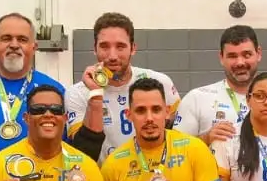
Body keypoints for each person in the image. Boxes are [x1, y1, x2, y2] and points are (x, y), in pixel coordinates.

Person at [66, 11, 181, 161]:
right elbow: (84, 154)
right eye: (104, 47)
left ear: (133, 48)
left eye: (120, 46)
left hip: (152, 177)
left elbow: (179, 137)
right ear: (94, 48)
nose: (112, 56)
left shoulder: (160, 82)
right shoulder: (77, 93)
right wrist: (95, 95)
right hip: (104, 179)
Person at [0, 12, 65, 161]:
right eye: (6, 38)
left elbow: (64, 145)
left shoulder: (54, 90)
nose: (14, 45)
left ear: (34, 47)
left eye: (22, 39)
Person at [176, 24, 260, 143]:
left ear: (258, 54)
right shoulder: (196, 98)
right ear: (221, 58)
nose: (240, 62)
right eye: (232, 56)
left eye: (247, 55)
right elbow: (177, 149)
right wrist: (206, 139)